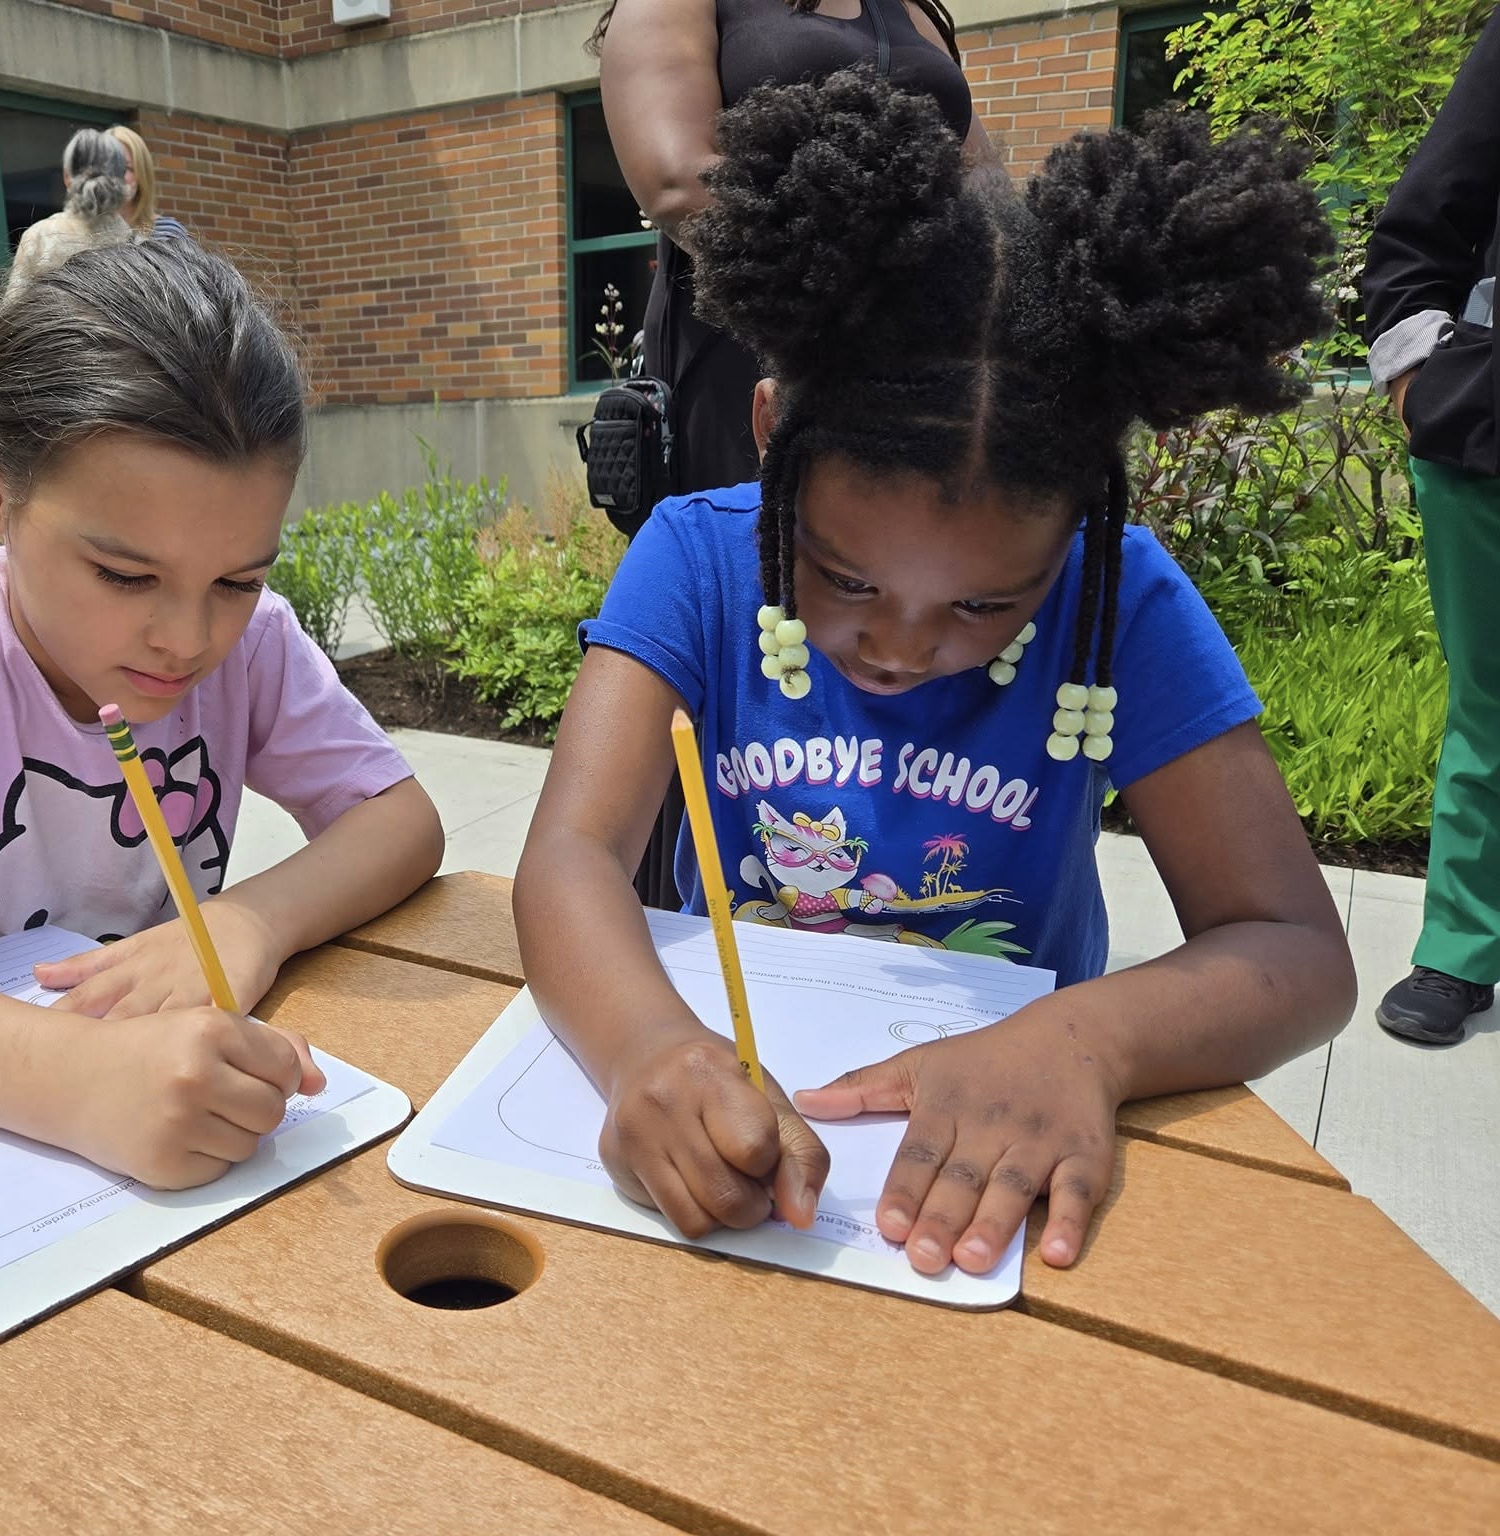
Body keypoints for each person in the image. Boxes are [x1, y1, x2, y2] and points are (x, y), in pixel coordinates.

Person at [514, 73, 1356, 1278]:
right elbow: (568, 858)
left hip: (993, 1165)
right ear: (767, 438)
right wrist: (644, 1048)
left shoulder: (1123, 602)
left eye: (984, 605)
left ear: (1075, 525)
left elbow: (1294, 951)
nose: (902, 645)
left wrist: (1085, 1041)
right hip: (730, 1116)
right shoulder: (695, 561)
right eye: (840, 578)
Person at [0, 240, 446, 1189]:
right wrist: (77, 1081)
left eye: (238, 577)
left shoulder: (258, 642)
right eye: (124, 574)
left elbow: (400, 821)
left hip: (180, 1129)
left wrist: (246, 925)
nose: (187, 640)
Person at [595, 0, 996, 910]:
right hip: (759, 342)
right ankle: (695, 904)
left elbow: (984, 193)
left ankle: (877, 902)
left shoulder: (914, 8)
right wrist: (859, 306)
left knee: (900, 633)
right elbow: (677, 182)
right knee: (745, 642)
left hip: (921, 372)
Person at [1360, 12, 1500, 1047]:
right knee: (1491, 700)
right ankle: (1457, 945)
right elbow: (1419, 224)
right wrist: (1417, 378)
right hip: (1488, 436)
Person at [8, 128, 135, 289]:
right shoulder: (137, 245)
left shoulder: (40, 237)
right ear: (122, 179)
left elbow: (15, 308)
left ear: (67, 177)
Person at [105, 124, 189, 241]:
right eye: (108, 167)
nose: (115, 176)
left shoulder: (167, 233)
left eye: (126, 168)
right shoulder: (83, 236)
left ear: (142, 175)